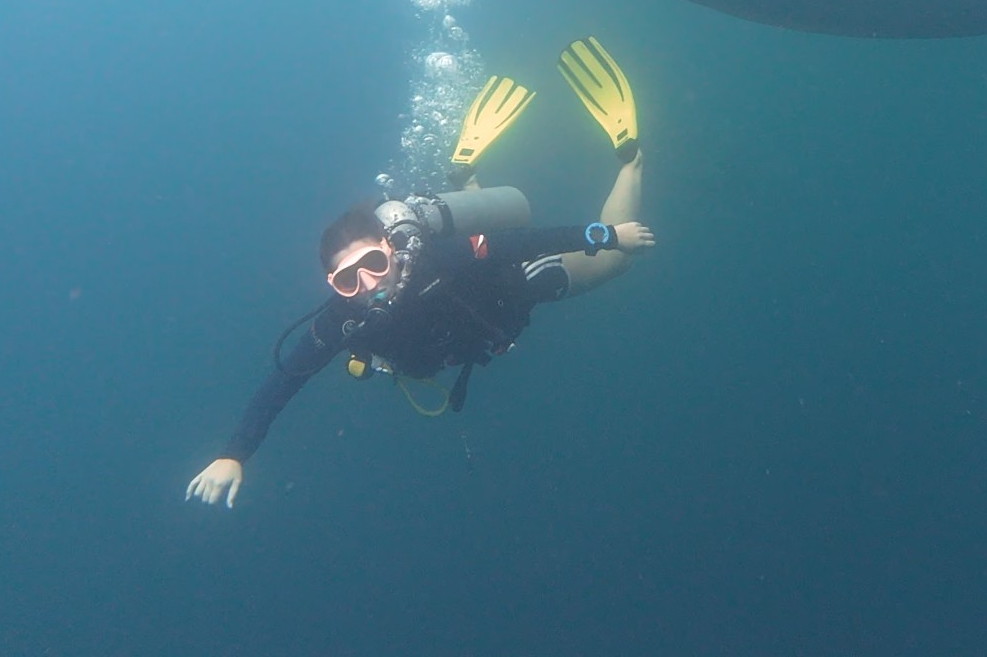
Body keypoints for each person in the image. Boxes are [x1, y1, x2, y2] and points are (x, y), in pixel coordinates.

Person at [186, 37, 655, 509]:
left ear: (390, 248)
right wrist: (234, 454)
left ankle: (630, 161)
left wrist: (606, 237)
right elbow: (283, 382)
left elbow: (517, 242)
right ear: (334, 287)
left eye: (373, 264)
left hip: (511, 288)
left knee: (615, 265)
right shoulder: (340, 321)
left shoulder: (438, 258)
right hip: (469, 332)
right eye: (349, 279)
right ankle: (465, 176)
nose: (367, 284)